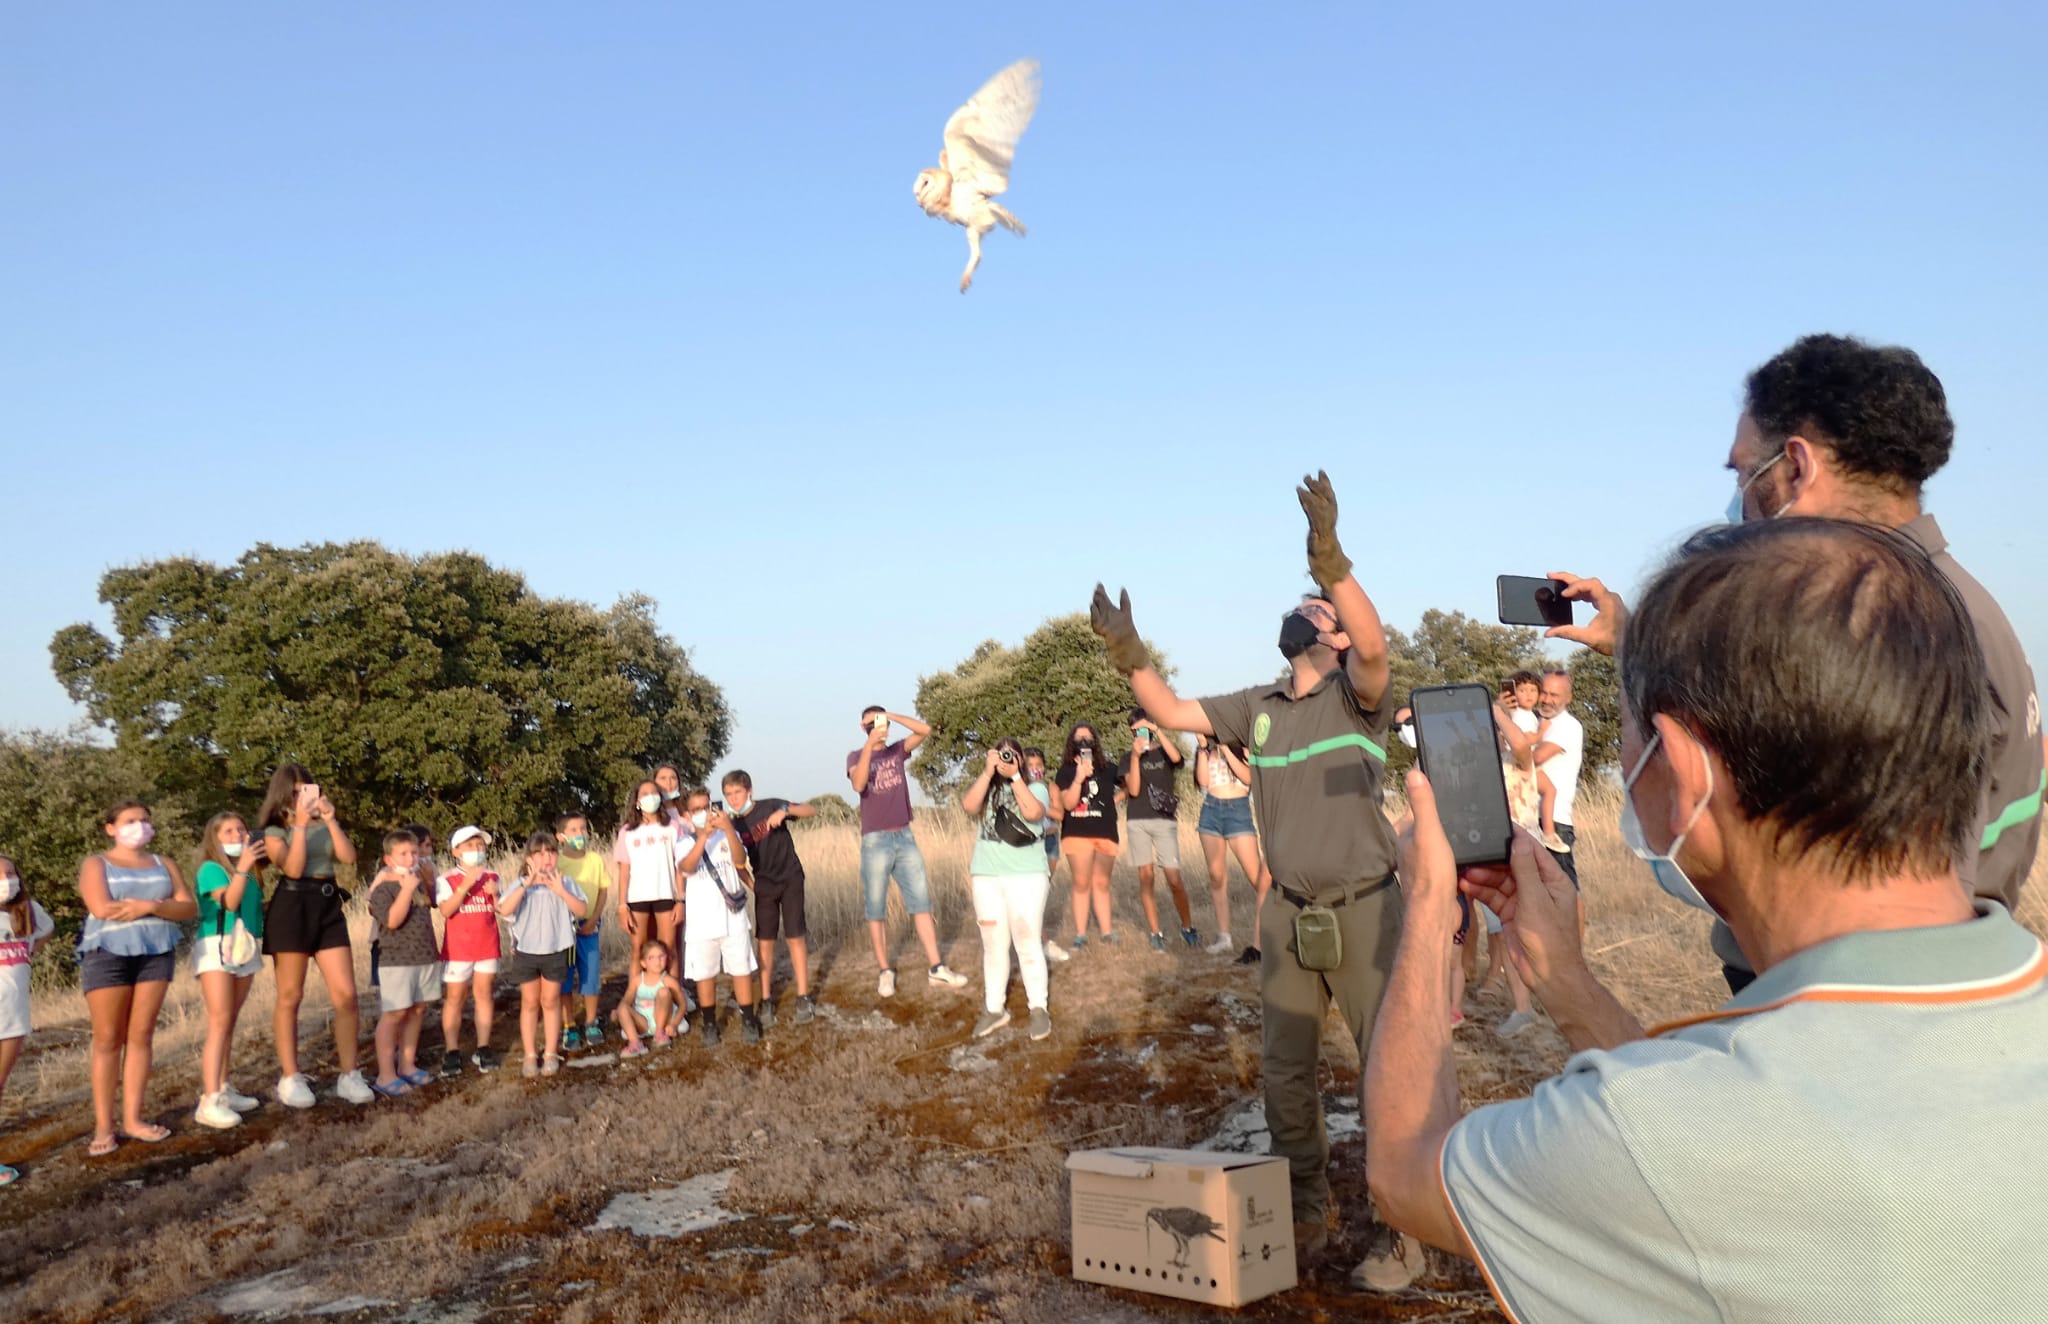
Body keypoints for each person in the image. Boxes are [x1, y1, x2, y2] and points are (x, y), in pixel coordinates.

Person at [1367, 517, 2048, 1323]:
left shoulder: (1659, 1138)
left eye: (1631, 739)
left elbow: (1405, 1172)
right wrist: (1569, 984)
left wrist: (1423, 909)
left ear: (1682, 773)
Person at [1553, 333, 2043, 995]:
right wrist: (1635, 644)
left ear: (1795, 467)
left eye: (1740, 471)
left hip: (1856, 1012)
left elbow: (1896, 924)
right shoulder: (1936, 604)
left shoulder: (1900, 628)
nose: (1737, 501)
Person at [1090, 470, 1417, 1291]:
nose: (1316, 614)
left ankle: (1401, 1231)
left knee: (1386, 1069)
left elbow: (1376, 645)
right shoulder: (1257, 707)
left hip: (1368, 908)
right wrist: (1128, 652)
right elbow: (1169, 712)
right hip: (1287, 913)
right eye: (1316, 606)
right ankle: (1303, 1209)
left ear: (1333, 635)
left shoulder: (1361, 699)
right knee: (1284, 1072)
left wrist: (1329, 557)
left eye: (1324, 610)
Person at [76, 799, 197, 1155]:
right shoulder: (96, 864)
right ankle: (103, 1126)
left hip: (156, 952)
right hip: (107, 955)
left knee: (141, 1035)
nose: (139, 826)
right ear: (110, 828)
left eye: (144, 820)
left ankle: (133, 1119)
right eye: (130, 821)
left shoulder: (165, 863)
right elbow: (101, 908)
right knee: (108, 1038)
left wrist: (150, 906)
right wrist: (164, 908)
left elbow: (187, 907)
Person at [257, 764, 372, 1107]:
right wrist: (301, 826)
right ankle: (291, 1076)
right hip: (292, 906)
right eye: (295, 791)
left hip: (327, 906)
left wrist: (331, 820)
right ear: (282, 794)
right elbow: (291, 868)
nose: (303, 797)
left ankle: (349, 1074)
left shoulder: (324, 824)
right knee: (290, 995)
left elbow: (349, 858)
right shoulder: (274, 832)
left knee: (347, 995)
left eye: (308, 789)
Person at [846, 706, 968, 998]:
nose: (878, 726)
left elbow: (924, 731)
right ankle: (885, 971)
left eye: (881, 722)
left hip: (905, 836)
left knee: (921, 904)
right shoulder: (855, 756)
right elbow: (859, 783)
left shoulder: (897, 751)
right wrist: (869, 741)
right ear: (862, 727)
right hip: (875, 840)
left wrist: (892, 717)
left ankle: (936, 967)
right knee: (876, 908)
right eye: (871, 723)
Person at [959, 738, 1055, 1041]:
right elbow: (968, 806)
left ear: (1021, 759)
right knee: (993, 944)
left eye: (1011, 755)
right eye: (1000, 755)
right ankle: (994, 1008)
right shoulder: (987, 787)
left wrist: (1014, 776)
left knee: (1027, 941)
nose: (1004, 759)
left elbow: (1034, 814)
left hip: (1026, 876)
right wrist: (987, 772)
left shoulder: (1035, 787)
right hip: (986, 876)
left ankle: (1038, 1008)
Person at [191, 813, 269, 1128]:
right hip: (216, 946)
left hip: (243, 946)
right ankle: (208, 1100)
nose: (237, 834)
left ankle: (223, 1087)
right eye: (228, 830)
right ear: (214, 837)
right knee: (219, 1020)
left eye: (241, 828)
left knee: (230, 1021)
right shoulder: (212, 870)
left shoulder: (250, 872)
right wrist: (243, 867)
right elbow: (230, 903)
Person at [724, 771, 819, 1027]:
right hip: (764, 884)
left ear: (749, 791)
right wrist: (753, 885)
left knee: (795, 937)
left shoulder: (770, 805)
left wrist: (786, 810)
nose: (734, 799)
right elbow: (737, 863)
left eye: (738, 792)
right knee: (765, 942)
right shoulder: (732, 826)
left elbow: (811, 810)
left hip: (790, 878)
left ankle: (803, 995)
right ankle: (765, 999)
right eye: (729, 794)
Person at [499, 833, 589, 1079]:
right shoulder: (520, 884)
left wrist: (561, 891)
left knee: (550, 1001)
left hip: (556, 950)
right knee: (529, 1003)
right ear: (529, 858)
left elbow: (582, 909)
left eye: (551, 852)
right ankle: (530, 1054)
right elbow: (504, 909)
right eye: (539, 853)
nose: (546, 858)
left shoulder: (565, 882)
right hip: (526, 952)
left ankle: (550, 1051)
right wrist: (526, 885)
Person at [677, 790, 762, 1046]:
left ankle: (748, 1018)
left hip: (732, 917)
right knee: (705, 974)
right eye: (696, 809)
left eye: (707, 807)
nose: (704, 813)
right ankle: (710, 1023)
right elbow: (686, 868)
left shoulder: (729, 833)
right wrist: (702, 837)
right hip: (701, 921)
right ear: (689, 815)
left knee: (741, 968)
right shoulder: (684, 841)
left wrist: (726, 829)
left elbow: (740, 860)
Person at [367, 829, 441, 1096]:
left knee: (418, 1010)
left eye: (414, 852)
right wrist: (406, 890)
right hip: (397, 961)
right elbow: (392, 921)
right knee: (394, 1014)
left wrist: (427, 882)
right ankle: (386, 1074)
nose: (411, 858)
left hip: (425, 957)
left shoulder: (419, 880)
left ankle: (407, 1064)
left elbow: (433, 903)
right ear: (389, 859)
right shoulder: (383, 887)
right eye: (404, 854)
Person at [0, 854, 55, 1185]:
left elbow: (46, 931)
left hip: (14, 1015)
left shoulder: (28, 912)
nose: (7, 879)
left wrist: (31, 948)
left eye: (9, 872)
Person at [1124, 708, 1197, 951]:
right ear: (1131, 731)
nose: (1141, 733)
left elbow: (1177, 759)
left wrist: (1158, 731)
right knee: (1146, 878)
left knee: (1174, 879)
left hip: (1164, 821)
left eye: (1145, 728)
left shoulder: (1165, 752)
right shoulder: (1128, 758)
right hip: (1137, 821)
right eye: (1137, 730)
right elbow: (1133, 791)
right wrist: (1135, 758)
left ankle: (1187, 927)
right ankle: (1156, 933)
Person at [436, 826, 503, 1076]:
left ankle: (483, 1046)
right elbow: (445, 910)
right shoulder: (447, 879)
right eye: (470, 846)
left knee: (484, 994)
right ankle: (452, 1050)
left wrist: (496, 895)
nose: (476, 850)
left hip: (487, 944)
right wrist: (465, 885)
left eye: (480, 845)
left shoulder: (493, 876)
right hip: (458, 949)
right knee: (455, 997)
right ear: (456, 851)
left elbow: (501, 909)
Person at [1193, 732, 1264, 959]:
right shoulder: (1207, 751)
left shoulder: (1243, 749)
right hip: (1211, 809)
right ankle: (1224, 936)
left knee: (1258, 879)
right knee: (1216, 876)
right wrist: (1203, 748)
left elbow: (1248, 777)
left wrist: (1225, 749)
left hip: (1238, 809)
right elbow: (1203, 781)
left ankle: (1270, 933)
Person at [1056, 722, 1124, 949]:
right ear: (1072, 744)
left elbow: (1131, 787)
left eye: (1088, 738)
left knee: (1102, 883)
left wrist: (1115, 801)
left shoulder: (1109, 768)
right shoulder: (1065, 771)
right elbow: (1067, 803)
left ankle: (1107, 931)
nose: (1084, 743)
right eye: (1079, 739)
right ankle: (1081, 934)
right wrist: (1078, 777)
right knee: (1082, 882)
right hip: (1077, 832)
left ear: (1095, 742)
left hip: (1105, 832)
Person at [613, 780, 686, 990]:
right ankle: (636, 998)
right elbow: (624, 872)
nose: (650, 797)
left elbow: (679, 866)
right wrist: (621, 905)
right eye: (645, 793)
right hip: (637, 898)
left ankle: (672, 997)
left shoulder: (672, 828)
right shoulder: (627, 832)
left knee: (668, 949)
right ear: (637, 801)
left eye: (654, 793)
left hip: (667, 895)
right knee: (638, 949)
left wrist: (680, 900)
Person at [553, 813, 611, 1050]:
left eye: (583, 829)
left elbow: (603, 890)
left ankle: (591, 1021)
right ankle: (568, 1025)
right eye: (574, 830)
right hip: (563, 930)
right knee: (565, 979)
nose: (580, 834)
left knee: (590, 976)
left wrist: (594, 919)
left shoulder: (595, 860)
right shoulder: (556, 862)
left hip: (590, 927)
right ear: (561, 836)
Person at [616, 943, 685, 1058]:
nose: (657, 961)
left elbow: (682, 1004)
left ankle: (659, 1033)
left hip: (663, 1020)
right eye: (651, 958)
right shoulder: (637, 981)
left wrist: (673, 1024)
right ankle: (635, 1043)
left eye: (661, 956)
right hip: (643, 1022)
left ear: (666, 958)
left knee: (664, 992)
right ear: (643, 963)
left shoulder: (669, 981)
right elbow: (627, 1000)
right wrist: (618, 1012)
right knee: (622, 1007)